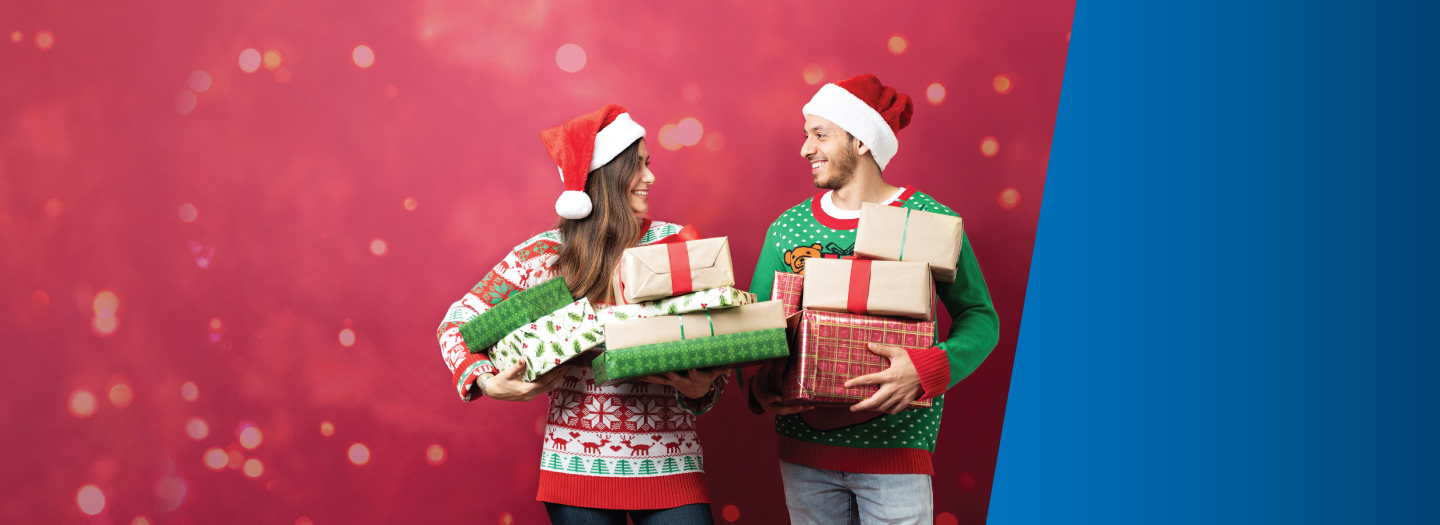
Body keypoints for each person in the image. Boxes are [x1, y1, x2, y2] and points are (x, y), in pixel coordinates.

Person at [436, 104, 728, 524]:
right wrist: (486, 381)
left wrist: (702, 390)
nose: (651, 178)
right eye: (638, 166)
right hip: (575, 472)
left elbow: (713, 340)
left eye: (650, 164)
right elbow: (456, 324)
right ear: (606, 176)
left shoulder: (677, 244)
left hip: (670, 462)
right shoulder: (542, 256)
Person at [747, 74, 1002, 524]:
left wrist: (930, 370)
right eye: (806, 135)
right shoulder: (786, 229)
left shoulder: (927, 220)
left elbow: (979, 316)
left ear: (862, 141)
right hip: (804, 456)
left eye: (820, 135)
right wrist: (759, 384)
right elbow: (754, 324)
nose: (806, 149)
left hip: (895, 452)